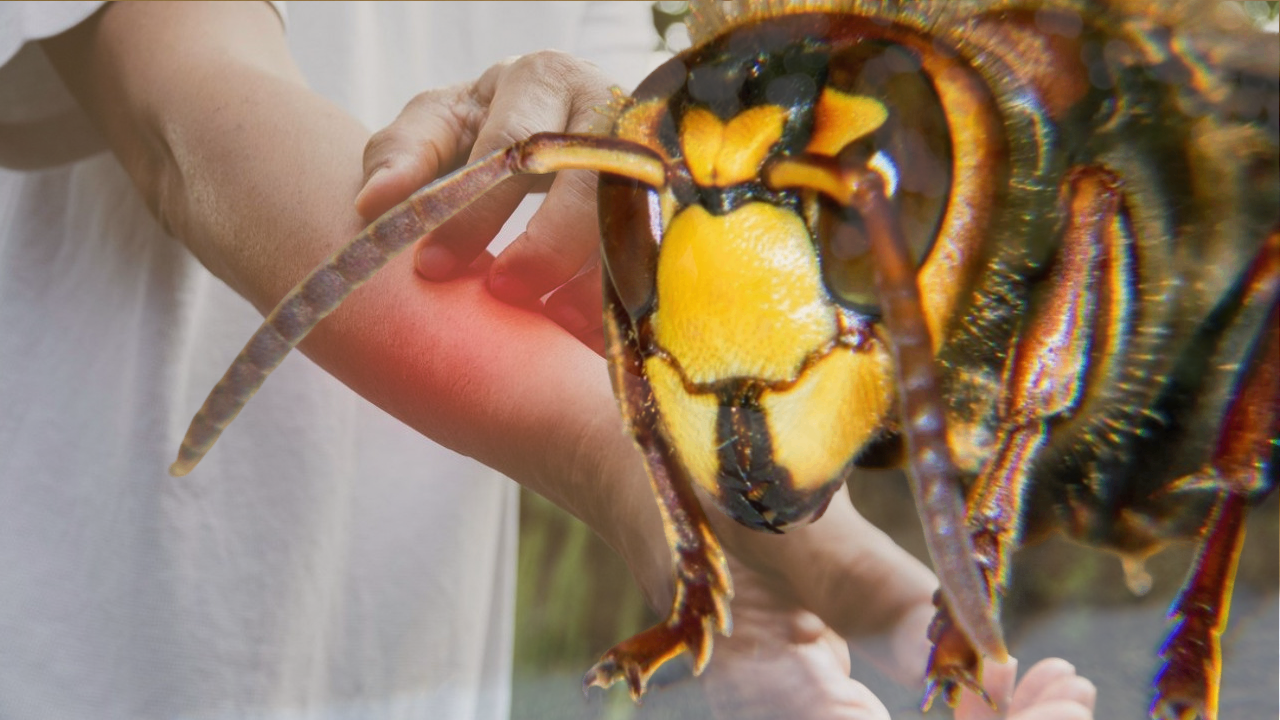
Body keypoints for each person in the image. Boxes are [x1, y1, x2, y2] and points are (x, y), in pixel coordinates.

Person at [0, 2, 1097, 719]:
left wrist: (819, 549)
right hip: (76, 663)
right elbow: (185, 129)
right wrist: (637, 489)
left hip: (401, 673)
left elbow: (644, 277)